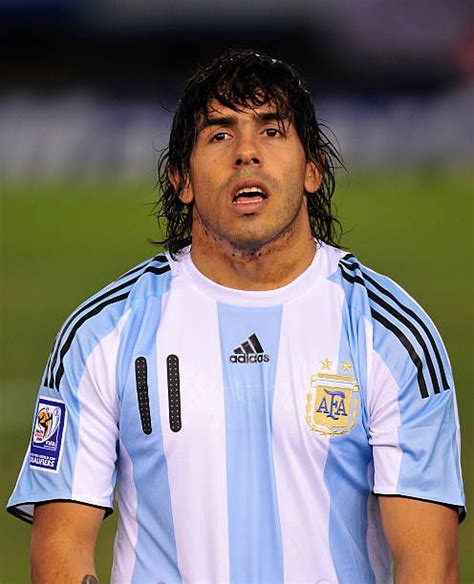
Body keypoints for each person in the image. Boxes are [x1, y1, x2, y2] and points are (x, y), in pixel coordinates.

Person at [8, 49, 465, 583]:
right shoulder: (102, 334)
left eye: (271, 132)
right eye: (220, 134)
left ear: (312, 168)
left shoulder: (389, 333)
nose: (247, 152)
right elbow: (59, 551)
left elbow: (429, 565)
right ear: (181, 179)